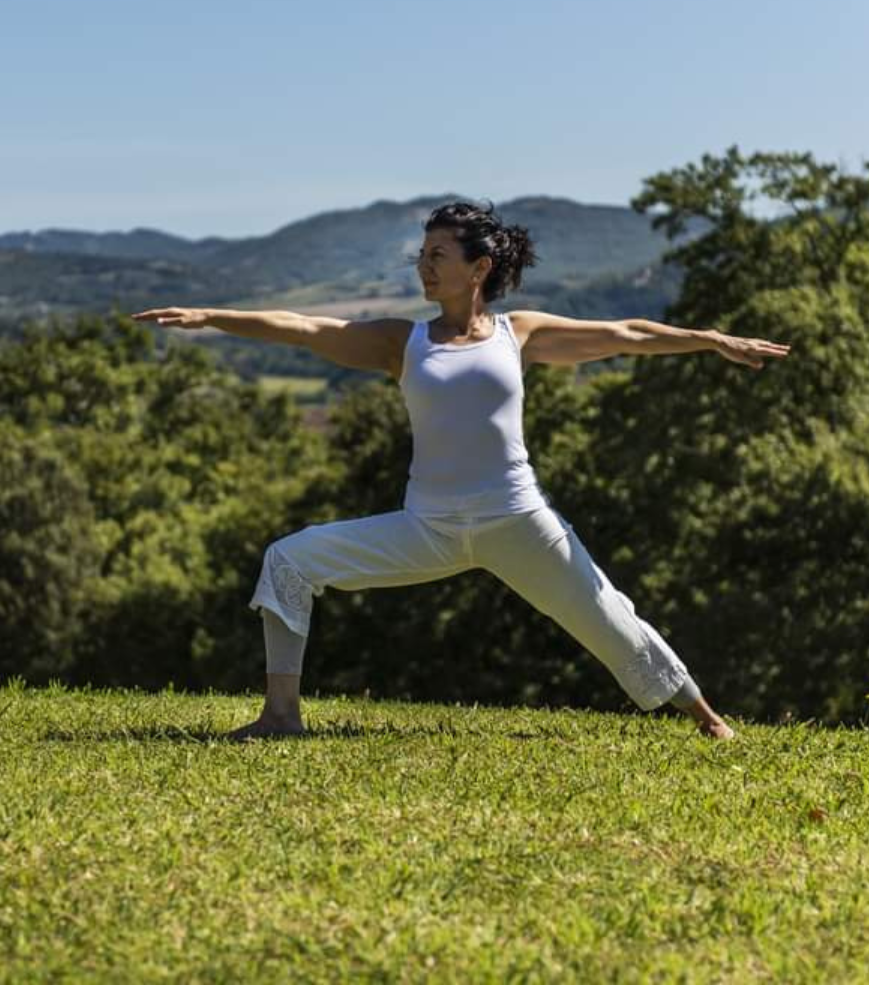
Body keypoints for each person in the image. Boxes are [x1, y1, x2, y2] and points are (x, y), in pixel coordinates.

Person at [131, 200, 791, 742]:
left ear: (479, 268)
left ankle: (708, 720)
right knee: (288, 560)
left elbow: (629, 333)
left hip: (519, 522)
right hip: (429, 527)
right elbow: (303, 327)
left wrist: (711, 339)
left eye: (437, 256)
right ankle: (281, 716)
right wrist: (208, 317)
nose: (424, 267)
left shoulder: (520, 334)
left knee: (609, 618)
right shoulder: (402, 342)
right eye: (422, 256)